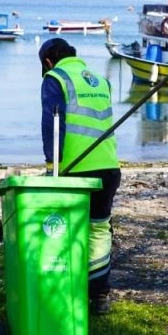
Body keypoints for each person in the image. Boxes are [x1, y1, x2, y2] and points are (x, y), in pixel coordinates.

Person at [38, 37, 121, 315]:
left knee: (63, 227)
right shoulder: (100, 80)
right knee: (98, 229)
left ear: (48, 61)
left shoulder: (55, 78)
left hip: (75, 170)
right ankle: (99, 296)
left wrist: (52, 167)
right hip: (108, 166)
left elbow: (53, 123)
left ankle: (64, 287)